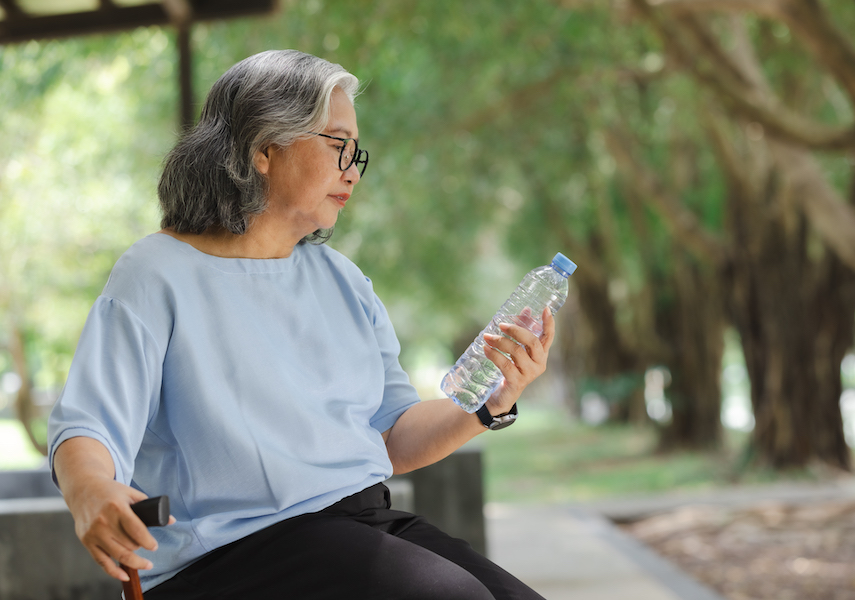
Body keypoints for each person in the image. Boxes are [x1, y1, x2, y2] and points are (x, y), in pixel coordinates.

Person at [48, 49, 555, 600]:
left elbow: (393, 435)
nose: (352, 170)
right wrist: (91, 491)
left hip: (361, 525)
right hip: (235, 554)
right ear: (263, 149)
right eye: (338, 144)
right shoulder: (156, 273)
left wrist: (491, 400)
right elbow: (88, 424)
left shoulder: (342, 279)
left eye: (356, 152)